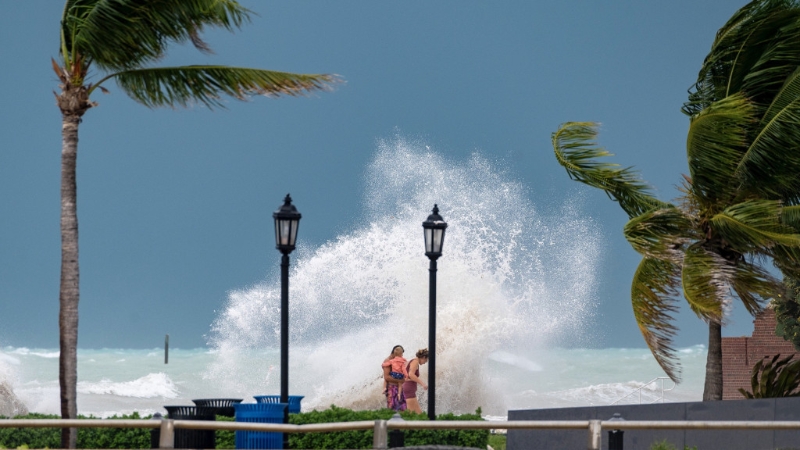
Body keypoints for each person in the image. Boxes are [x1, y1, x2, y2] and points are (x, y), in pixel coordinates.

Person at [402, 348, 429, 414]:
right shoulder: (415, 362)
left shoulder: (411, 361)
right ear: (423, 357)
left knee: (413, 414)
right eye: (426, 360)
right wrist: (423, 384)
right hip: (409, 390)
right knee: (417, 414)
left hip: (407, 388)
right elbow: (411, 374)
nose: (425, 362)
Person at [382, 345, 407, 411]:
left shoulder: (397, 360)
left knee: (403, 408)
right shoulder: (388, 360)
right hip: (391, 388)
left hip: (398, 387)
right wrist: (400, 381)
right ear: (394, 353)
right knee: (392, 408)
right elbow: (386, 377)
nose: (401, 356)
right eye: (401, 355)